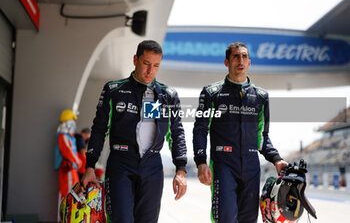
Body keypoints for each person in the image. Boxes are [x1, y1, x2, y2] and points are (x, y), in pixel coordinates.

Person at [81, 40, 187, 223]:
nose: (150, 71)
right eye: (146, 63)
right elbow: (99, 129)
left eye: (156, 66)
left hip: (152, 166)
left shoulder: (167, 95)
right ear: (135, 60)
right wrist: (90, 166)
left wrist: (181, 169)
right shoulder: (114, 90)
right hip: (121, 164)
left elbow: (176, 133)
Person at [193, 42, 288, 223]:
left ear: (249, 63)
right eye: (236, 56)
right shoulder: (211, 93)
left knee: (249, 220)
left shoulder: (261, 96)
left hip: (252, 167)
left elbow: (262, 137)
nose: (240, 60)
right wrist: (200, 162)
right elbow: (200, 130)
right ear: (226, 62)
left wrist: (277, 159)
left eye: (244, 56)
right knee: (225, 219)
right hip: (223, 165)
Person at [54, 109, 82, 201]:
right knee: (68, 195)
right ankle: (66, 215)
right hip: (68, 169)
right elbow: (67, 151)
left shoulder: (68, 136)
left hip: (72, 169)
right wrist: (78, 161)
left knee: (75, 194)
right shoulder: (63, 136)